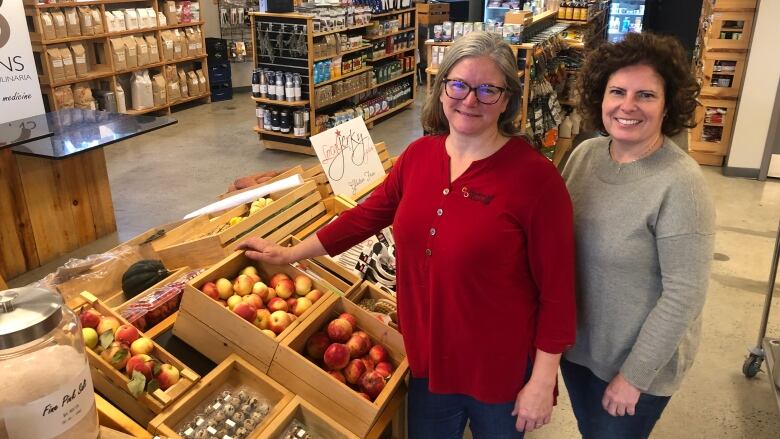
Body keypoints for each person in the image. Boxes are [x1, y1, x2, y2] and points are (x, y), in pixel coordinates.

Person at [239, 32, 576, 438]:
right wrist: (288, 254)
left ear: (507, 99)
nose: (470, 100)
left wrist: (542, 382)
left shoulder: (536, 179)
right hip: (426, 361)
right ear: (441, 89)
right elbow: (364, 218)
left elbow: (558, 292)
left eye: (488, 90)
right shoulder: (418, 157)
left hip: (499, 371)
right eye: (459, 85)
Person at [560, 32, 716, 439]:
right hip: (580, 351)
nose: (627, 106)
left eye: (645, 95)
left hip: (634, 368)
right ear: (600, 97)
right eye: (617, 91)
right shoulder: (584, 156)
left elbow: (684, 295)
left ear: (668, 105)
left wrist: (634, 377)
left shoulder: (680, 183)